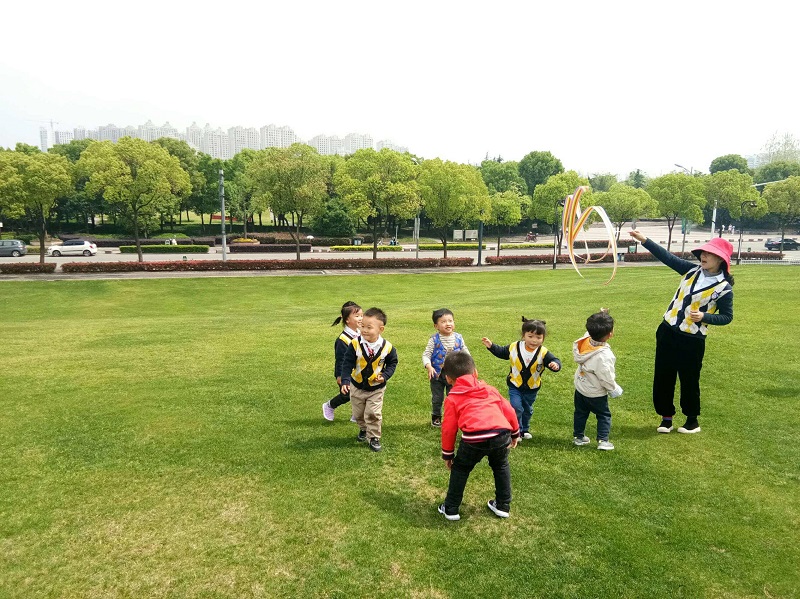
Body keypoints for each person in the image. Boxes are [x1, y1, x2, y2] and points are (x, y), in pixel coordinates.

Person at [630, 230, 735, 434]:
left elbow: (727, 317)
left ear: (721, 260)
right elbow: (667, 257)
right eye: (703, 253)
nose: (704, 256)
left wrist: (705, 317)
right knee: (663, 376)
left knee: (689, 379)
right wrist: (645, 241)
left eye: (710, 254)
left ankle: (691, 421)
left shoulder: (724, 288)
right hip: (667, 331)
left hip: (692, 339)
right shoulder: (690, 270)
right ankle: (666, 418)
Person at [438, 352, 520, 521]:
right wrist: (515, 433)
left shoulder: (452, 398)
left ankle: (451, 508)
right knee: (501, 466)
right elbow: (509, 411)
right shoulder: (490, 389)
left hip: (474, 438)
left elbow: (448, 429)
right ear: (475, 372)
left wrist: (448, 454)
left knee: (460, 469)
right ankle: (503, 505)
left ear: (448, 379)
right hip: (501, 434)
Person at [481, 317, 561, 440]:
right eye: (530, 336)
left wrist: (555, 365)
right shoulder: (515, 347)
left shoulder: (543, 352)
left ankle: (524, 429)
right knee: (516, 407)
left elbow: (554, 360)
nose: (534, 340)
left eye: (538, 338)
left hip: (532, 387)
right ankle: (516, 430)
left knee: (527, 410)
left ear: (543, 338)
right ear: (523, 336)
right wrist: (491, 346)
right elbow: (502, 352)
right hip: (515, 385)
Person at [340, 307, 398, 452]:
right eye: (362, 326)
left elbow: (392, 363)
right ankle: (363, 429)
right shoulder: (355, 344)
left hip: (376, 389)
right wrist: (345, 380)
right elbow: (347, 363)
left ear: (381, 329)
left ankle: (373, 437)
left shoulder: (387, 348)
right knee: (358, 413)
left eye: (369, 327)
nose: (364, 330)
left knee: (373, 413)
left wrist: (384, 376)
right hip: (357, 386)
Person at [572, 310, 623, 451]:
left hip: (580, 388)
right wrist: (614, 389)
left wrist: (601, 315)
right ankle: (603, 440)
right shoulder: (604, 356)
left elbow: (589, 331)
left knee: (580, 413)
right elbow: (606, 377)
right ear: (610, 334)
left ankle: (578, 437)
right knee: (603, 415)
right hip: (596, 393)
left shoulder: (584, 342)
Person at [422, 308, 471, 427]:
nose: (448, 324)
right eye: (443, 321)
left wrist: (470, 365)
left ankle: (452, 417)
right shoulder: (434, 340)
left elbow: (465, 352)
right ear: (436, 326)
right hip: (437, 374)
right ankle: (436, 416)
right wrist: (429, 366)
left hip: (454, 374)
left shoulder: (459, 338)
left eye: (450, 321)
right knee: (437, 398)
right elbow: (426, 354)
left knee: (453, 397)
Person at [322, 301, 363, 422]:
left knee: (362, 392)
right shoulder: (343, 340)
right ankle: (329, 405)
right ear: (347, 320)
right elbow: (340, 360)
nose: (361, 318)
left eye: (362, 315)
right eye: (357, 316)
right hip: (346, 372)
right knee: (347, 395)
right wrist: (340, 376)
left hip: (359, 370)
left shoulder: (360, 333)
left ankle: (357, 415)